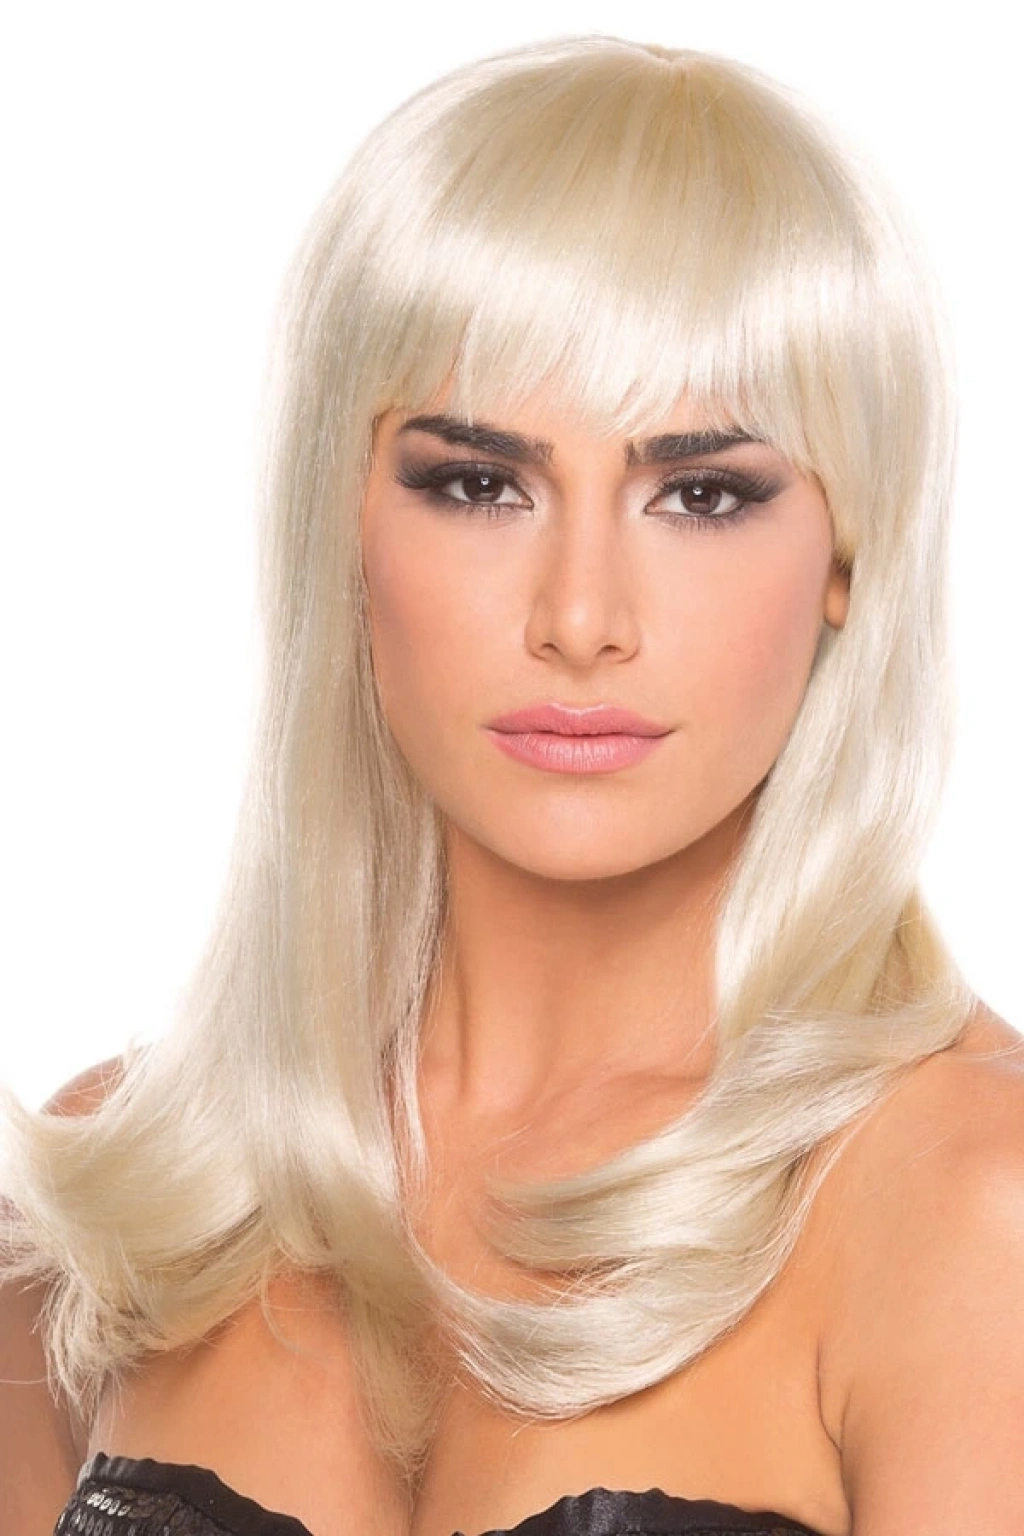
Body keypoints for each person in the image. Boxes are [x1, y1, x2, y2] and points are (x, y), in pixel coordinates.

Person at [2, 30, 1023, 1536]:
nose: (581, 616)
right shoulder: (123, 1204)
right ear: (343, 522)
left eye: (701, 493)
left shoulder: (970, 1208)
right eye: (478, 483)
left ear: (846, 557)